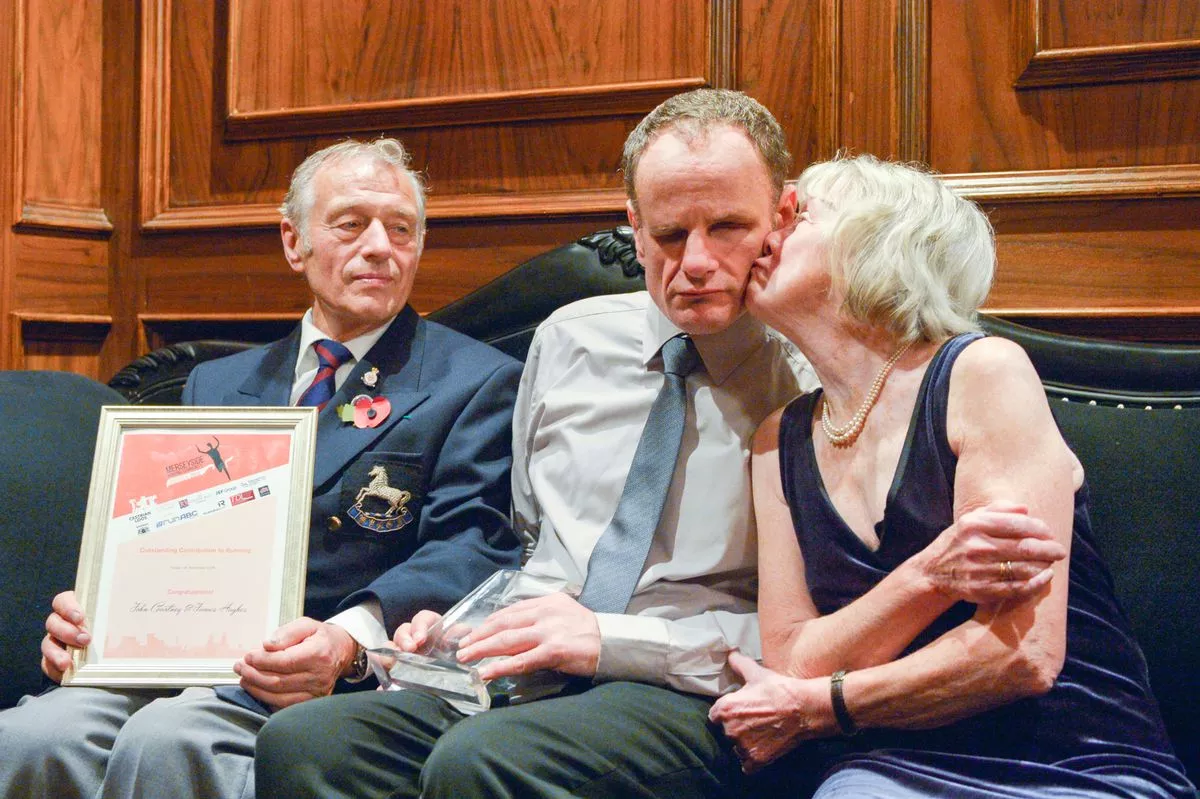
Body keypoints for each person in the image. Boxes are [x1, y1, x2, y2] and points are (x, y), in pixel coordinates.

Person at [254, 88, 817, 799]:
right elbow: (528, 540)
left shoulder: (812, 376)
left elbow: (818, 632)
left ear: (783, 216)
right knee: (311, 742)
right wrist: (461, 622)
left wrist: (608, 641)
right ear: (635, 228)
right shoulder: (570, 340)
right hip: (526, 661)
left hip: (683, 678)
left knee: (482, 759)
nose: (696, 261)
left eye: (728, 227)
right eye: (671, 235)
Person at [0, 138, 523, 798]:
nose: (379, 247)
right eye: (350, 223)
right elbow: (161, 535)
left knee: (169, 739)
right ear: (292, 240)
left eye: (401, 228)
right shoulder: (216, 384)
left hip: (327, 668)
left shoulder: (474, 382)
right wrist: (99, 614)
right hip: (179, 654)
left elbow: (471, 547)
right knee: (30, 738)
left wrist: (346, 637)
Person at [709, 154, 1196, 798]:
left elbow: (1018, 656)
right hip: (887, 763)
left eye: (801, 216)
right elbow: (795, 657)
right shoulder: (779, 438)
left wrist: (821, 707)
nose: (768, 233)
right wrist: (930, 576)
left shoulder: (983, 372)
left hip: (1072, 762)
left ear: (878, 242)